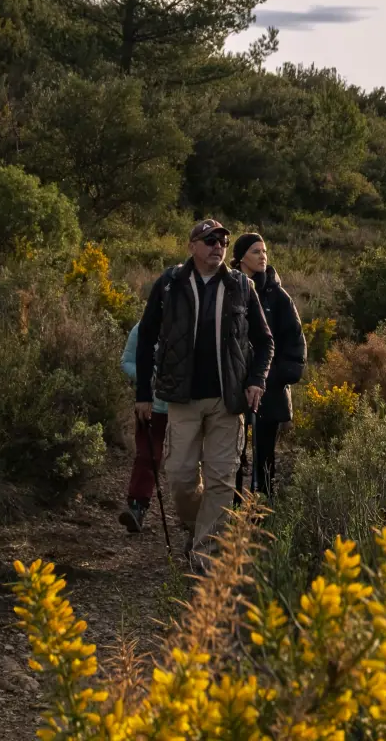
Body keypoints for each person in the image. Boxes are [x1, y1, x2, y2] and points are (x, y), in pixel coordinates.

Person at [132, 219, 274, 564]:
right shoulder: (169, 284)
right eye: (210, 240)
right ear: (192, 246)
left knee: (221, 478)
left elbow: (265, 341)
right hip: (182, 398)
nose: (218, 246)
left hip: (228, 401)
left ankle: (204, 554)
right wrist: (143, 393)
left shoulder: (241, 286)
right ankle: (199, 526)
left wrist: (257, 380)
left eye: (223, 240)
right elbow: (146, 337)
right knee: (179, 476)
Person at [230, 233, 306, 497]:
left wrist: (270, 377)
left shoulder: (279, 297)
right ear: (240, 258)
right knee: (232, 455)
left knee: (264, 457)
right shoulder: (228, 288)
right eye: (255, 251)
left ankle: (262, 514)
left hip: (269, 389)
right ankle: (232, 513)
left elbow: (295, 346)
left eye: (264, 251)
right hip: (232, 388)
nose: (263, 256)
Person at [118, 322, 170, 533]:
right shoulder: (142, 328)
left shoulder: (191, 323)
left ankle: (192, 515)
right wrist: (148, 377)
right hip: (151, 405)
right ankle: (137, 507)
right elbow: (126, 362)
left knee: (187, 461)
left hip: (186, 409)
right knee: (147, 456)